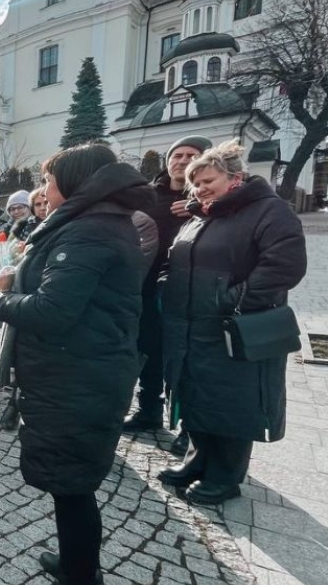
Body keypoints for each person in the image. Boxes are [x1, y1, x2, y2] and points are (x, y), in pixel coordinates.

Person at [0, 143, 154, 585]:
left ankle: (81, 575)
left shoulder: (89, 231)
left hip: (79, 378)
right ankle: (74, 564)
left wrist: (2, 299)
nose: (44, 188)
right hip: (76, 372)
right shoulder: (91, 223)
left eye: (48, 180)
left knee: (73, 489)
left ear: (75, 182)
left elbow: (52, 310)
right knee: (70, 486)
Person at [158, 140, 307, 505]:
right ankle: (198, 460)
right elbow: (177, 259)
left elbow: (283, 265)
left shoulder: (269, 211)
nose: (200, 188)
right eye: (196, 183)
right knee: (197, 395)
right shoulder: (202, 215)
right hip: (192, 325)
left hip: (234, 327)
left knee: (231, 403)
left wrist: (233, 300)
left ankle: (226, 477)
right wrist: (167, 283)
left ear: (234, 177)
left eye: (208, 180)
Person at [124, 136, 213, 461]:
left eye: (192, 155)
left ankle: (190, 427)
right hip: (147, 288)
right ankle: (149, 410)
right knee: (148, 350)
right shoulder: (149, 195)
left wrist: (198, 210)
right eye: (177, 155)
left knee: (184, 359)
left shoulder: (207, 197)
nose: (182, 160)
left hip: (189, 292)